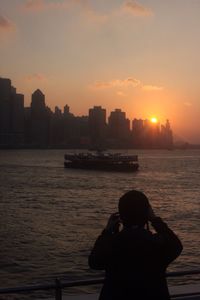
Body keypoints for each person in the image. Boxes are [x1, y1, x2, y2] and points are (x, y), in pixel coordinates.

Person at [88, 190, 183, 300]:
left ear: (121, 216)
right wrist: (155, 219)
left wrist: (107, 232)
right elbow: (177, 246)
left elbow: (94, 262)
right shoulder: (157, 244)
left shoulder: (112, 244)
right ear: (146, 214)